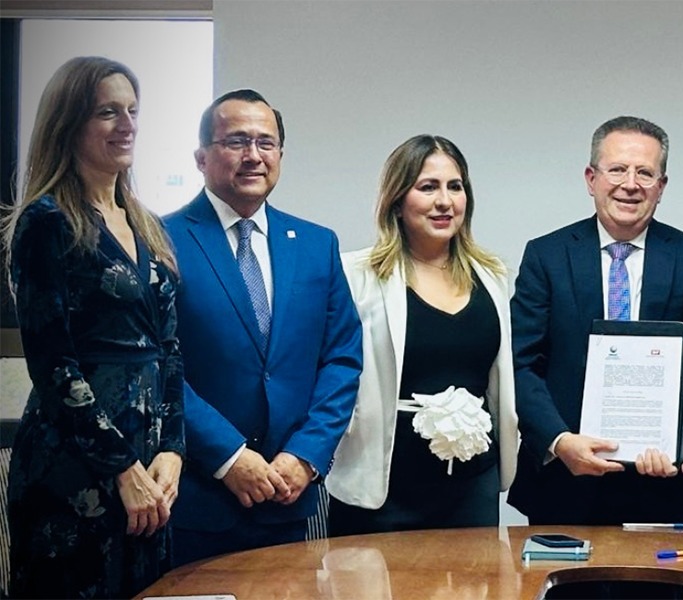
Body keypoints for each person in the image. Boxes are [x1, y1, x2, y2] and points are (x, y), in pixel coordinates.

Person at [1, 56, 184, 599]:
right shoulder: (46, 222)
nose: (127, 124)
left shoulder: (146, 224)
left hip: (149, 465)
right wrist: (122, 468)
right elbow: (53, 365)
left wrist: (172, 451)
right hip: (74, 467)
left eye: (133, 110)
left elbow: (171, 349)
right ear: (69, 124)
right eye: (108, 112)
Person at [163, 89, 362, 564]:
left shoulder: (316, 244)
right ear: (201, 158)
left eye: (266, 143)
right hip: (197, 498)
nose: (253, 155)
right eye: (236, 141)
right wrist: (229, 456)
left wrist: (306, 454)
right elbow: (159, 365)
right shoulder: (161, 240)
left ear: (280, 156)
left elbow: (342, 358)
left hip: (288, 495)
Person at [508, 116, 683, 525]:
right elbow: (521, 363)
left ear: (661, 186)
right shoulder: (546, 256)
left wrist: (677, 443)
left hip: (662, 485)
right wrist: (559, 440)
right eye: (617, 170)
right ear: (591, 179)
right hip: (563, 485)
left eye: (645, 173)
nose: (630, 184)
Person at [324, 135, 517, 532]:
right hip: (384, 487)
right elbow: (331, 375)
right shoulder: (356, 275)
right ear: (397, 200)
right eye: (428, 187)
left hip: (472, 487)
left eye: (455, 187)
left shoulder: (491, 275)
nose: (444, 201)